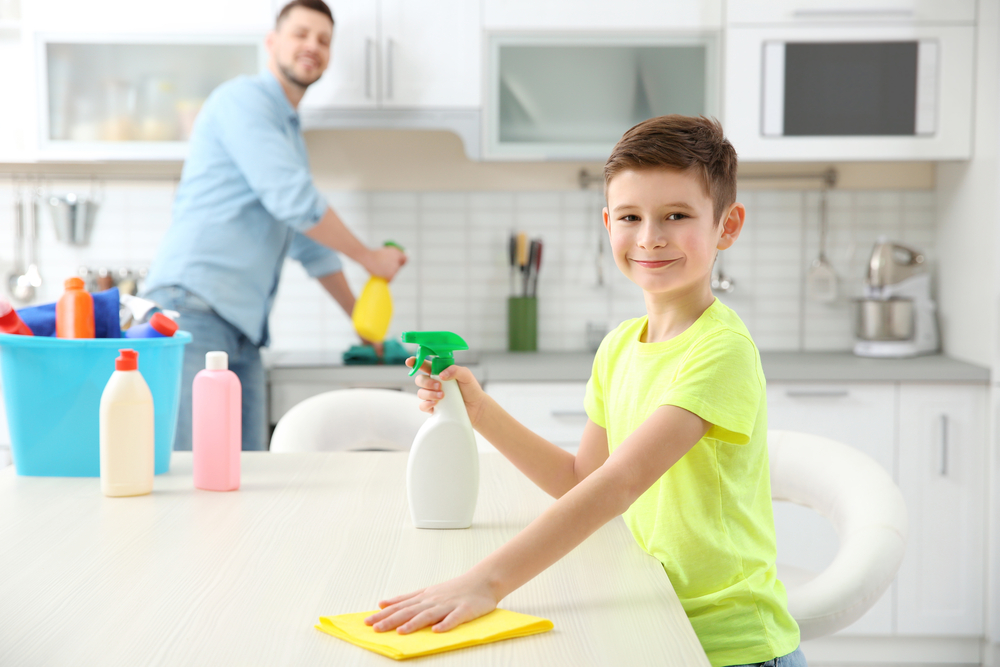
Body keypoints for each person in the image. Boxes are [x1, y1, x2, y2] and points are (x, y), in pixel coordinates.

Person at [365, 116, 806, 667]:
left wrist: (486, 582)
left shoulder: (722, 351)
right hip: (652, 617)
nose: (650, 237)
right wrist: (479, 410)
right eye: (630, 216)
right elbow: (581, 480)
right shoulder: (619, 346)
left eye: (677, 215)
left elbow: (620, 485)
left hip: (730, 645)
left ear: (728, 225)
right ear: (607, 223)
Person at [143, 0, 406, 452]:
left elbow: (309, 243)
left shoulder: (287, 133)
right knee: (193, 468)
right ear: (272, 42)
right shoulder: (244, 101)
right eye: (301, 33)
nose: (312, 46)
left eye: (323, 40)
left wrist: (360, 322)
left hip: (240, 330)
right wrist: (370, 258)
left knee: (246, 473)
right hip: (192, 312)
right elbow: (296, 202)